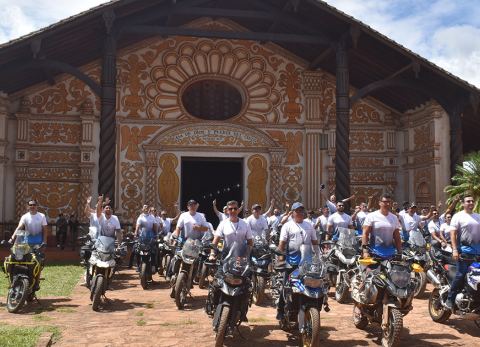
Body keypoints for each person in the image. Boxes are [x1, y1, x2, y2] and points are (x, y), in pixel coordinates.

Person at [276, 202, 319, 320]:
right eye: (297, 211)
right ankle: (280, 310)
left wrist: (319, 257)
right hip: (292, 263)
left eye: (301, 211)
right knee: (285, 286)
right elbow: (282, 244)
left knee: (315, 285)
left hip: (307, 263)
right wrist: (280, 258)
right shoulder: (287, 226)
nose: (299, 213)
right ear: (292, 213)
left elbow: (315, 243)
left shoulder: (309, 225)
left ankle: (315, 306)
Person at [445, 195, 480, 310]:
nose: (471, 202)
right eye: (468, 201)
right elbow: (453, 234)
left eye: (472, 201)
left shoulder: (478, 217)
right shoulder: (458, 216)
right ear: (463, 204)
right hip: (464, 253)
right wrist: (455, 249)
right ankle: (450, 299)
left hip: (477, 254)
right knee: (461, 275)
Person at [10, 199, 48, 290]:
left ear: (37, 206)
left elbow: (45, 230)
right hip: (25, 243)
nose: (32, 206)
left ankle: (36, 282)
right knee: (15, 260)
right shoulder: (25, 216)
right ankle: (13, 281)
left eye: (34, 205)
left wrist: (44, 242)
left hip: (38, 244)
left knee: (37, 263)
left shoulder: (41, 216)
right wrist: (12, 238)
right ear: (28, 206)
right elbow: (19, 227)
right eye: (30, 205)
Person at [361, 193, 402, 259]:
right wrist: (365, 251)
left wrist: (400, 252)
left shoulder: (394, 218)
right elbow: (365, 234)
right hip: (375, 253)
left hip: (390, 254)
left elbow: (397, 236)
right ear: (379, 203)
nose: (388, 204)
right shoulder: (371, 216)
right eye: (385, 202)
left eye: (389, 202)